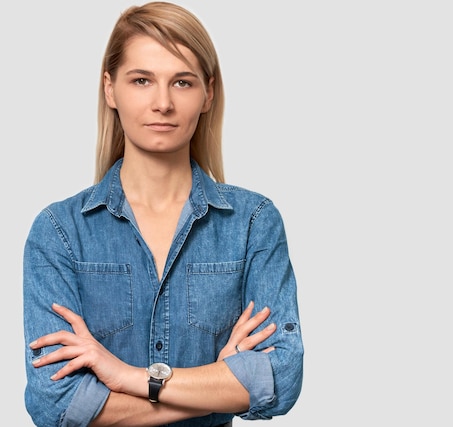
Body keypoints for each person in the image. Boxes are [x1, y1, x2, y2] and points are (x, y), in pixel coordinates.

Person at [23, 2, 303, 426]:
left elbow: (280, 379)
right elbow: (57, 404)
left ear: (208, 93)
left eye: (182, 82)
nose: (163, 103)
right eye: (141, 80)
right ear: (110, 88)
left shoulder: (253, 223)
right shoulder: (60, 232)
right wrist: (218, 386)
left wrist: (127, 377)